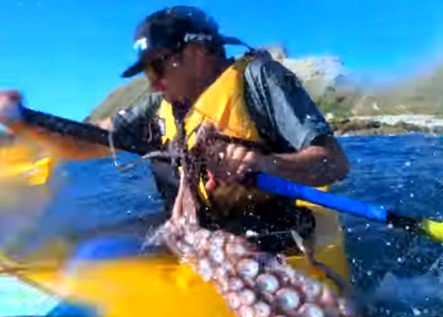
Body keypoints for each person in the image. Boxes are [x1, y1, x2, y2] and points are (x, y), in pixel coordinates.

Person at [0, 6, 349, 253]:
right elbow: (87, 143)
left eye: (157, 68)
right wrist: (22, 120)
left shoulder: (259, 80)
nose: (153, 84)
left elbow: (334, 163)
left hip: (269, 236)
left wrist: (266, 165)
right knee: (81, 244)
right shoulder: (159, 109)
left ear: (196, 52)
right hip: (188, 233)